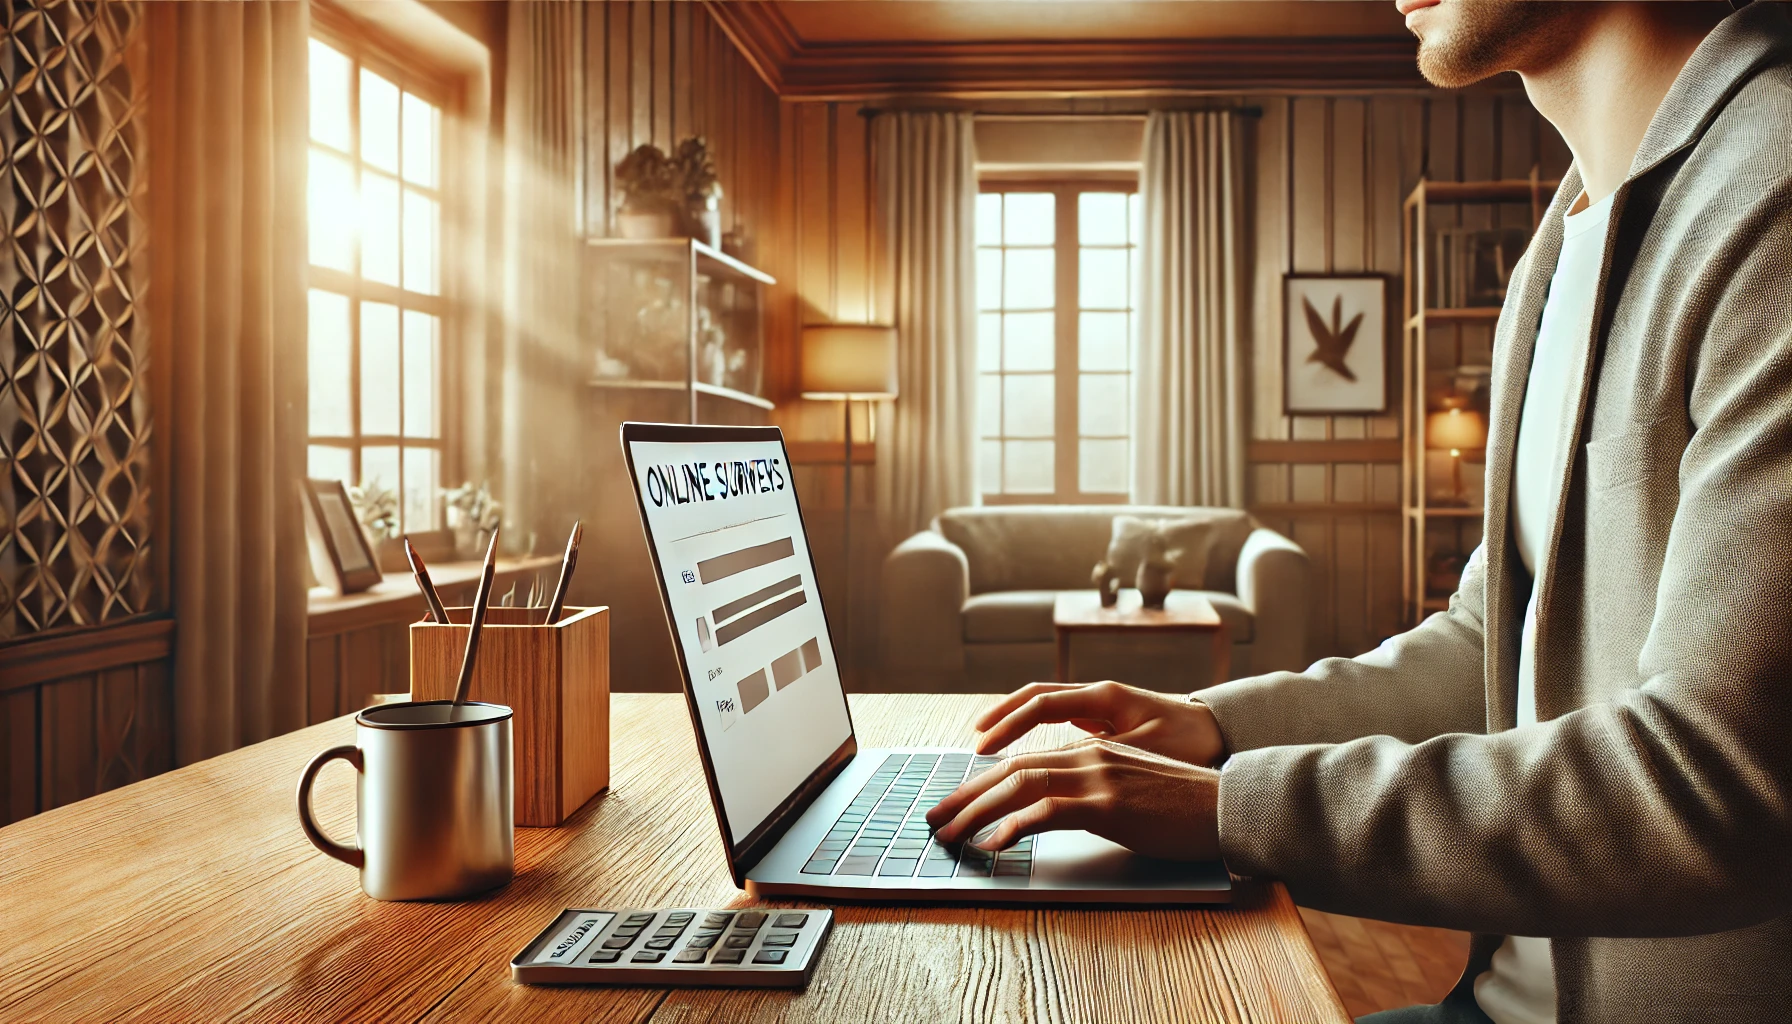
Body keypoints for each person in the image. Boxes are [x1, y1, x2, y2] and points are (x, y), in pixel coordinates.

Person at [925, 2, 1792, 1021]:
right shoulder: (1557, 249)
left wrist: (1227, 809)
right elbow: (1484, 645)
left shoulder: (1769, 194)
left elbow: (1715, 791)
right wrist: (1210, 728)